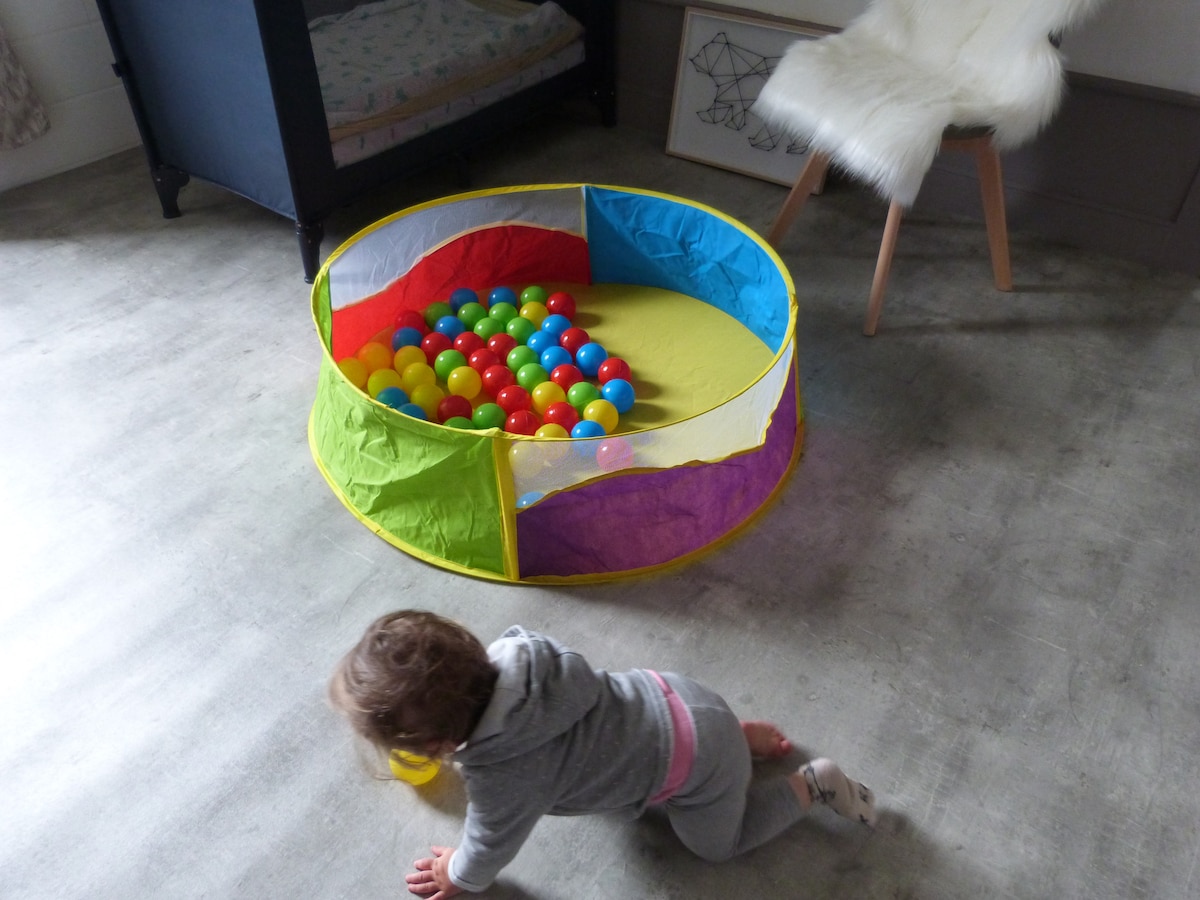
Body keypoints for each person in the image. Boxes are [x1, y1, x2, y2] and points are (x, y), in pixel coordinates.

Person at [329, 610, 877, 897]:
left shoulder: (503, 776)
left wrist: (460, 874)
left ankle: (814, 783)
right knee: (672, 727)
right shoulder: (521, 651)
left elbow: (488, 846)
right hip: (677, 694)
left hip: (696, 759)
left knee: (717, 845)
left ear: (435, 748)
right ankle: (740, 735)